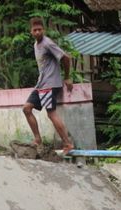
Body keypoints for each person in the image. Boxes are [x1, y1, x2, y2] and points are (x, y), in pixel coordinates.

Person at [22, 17, 74, 154]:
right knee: (27, 108)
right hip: (41, 84)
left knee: (51, 113)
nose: (38, 32)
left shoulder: (47, 43)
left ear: (43, 30)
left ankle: (67, 144)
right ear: (31, 32)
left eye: (40, 30)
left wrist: (67, 77)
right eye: (35, 30)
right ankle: (38, 139)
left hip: (50, 84)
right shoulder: (36, 45)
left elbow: (66, 58)